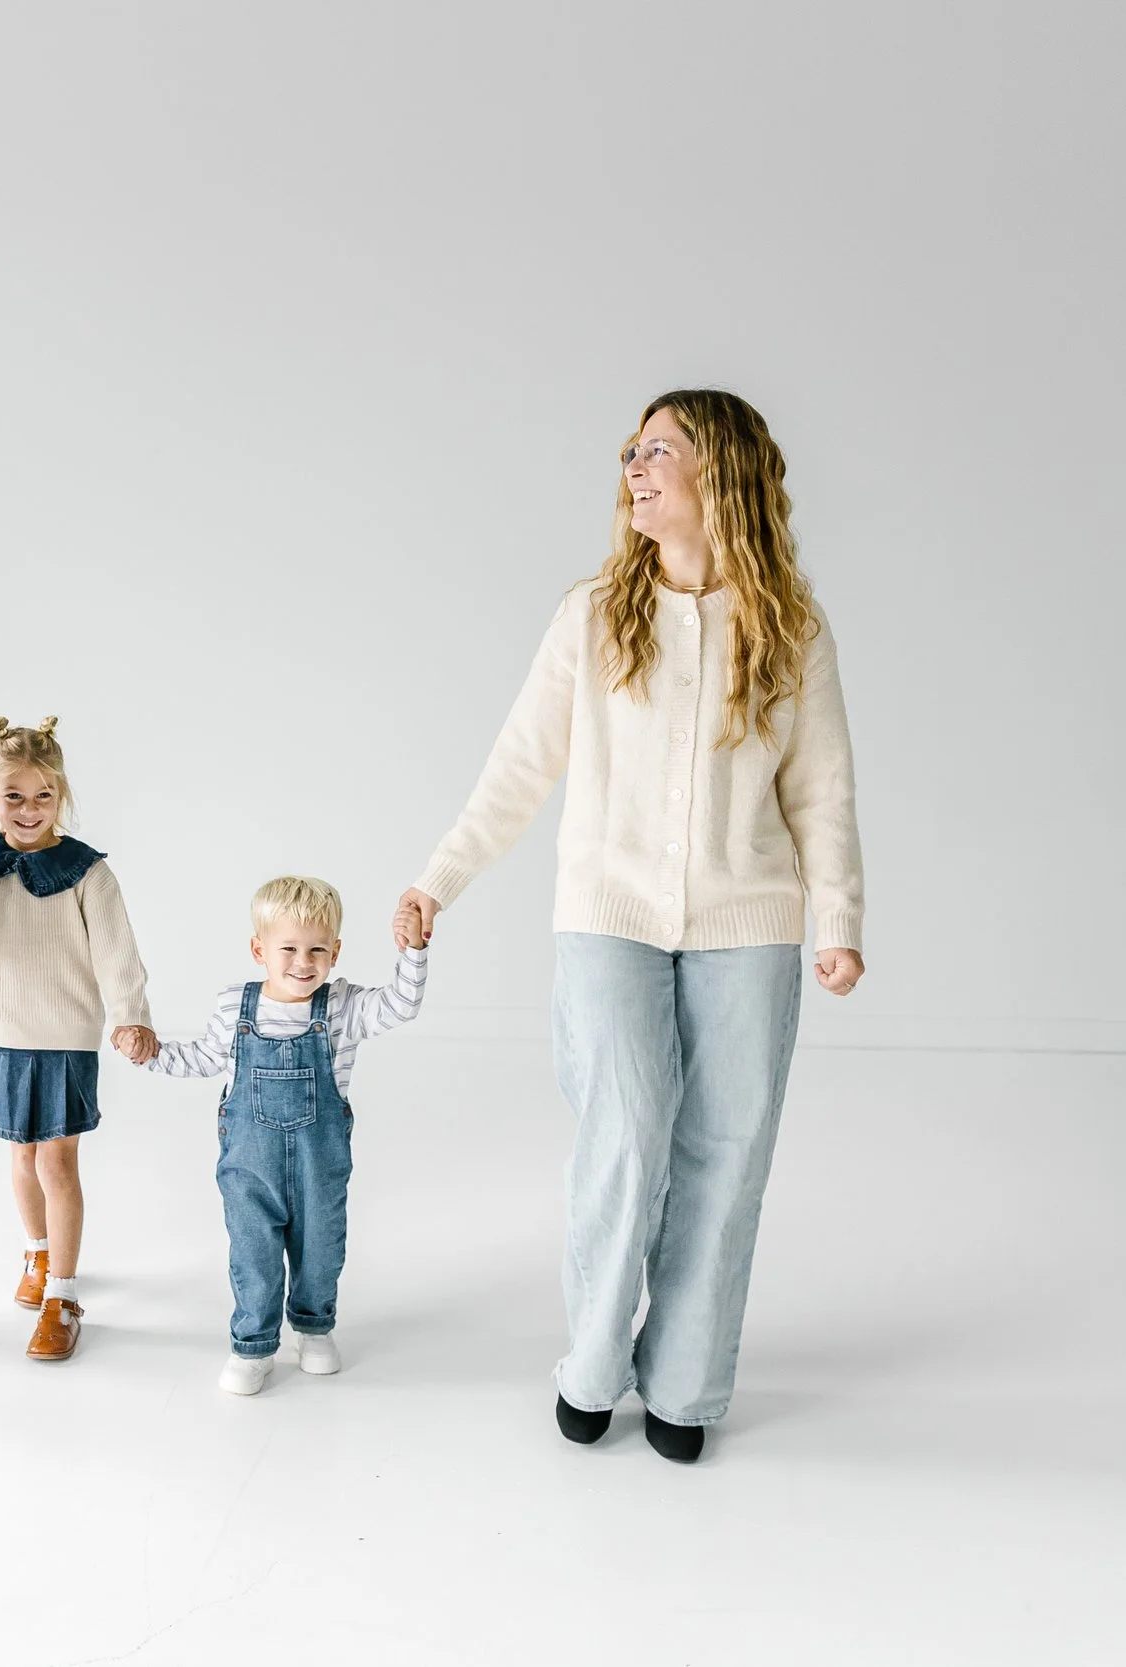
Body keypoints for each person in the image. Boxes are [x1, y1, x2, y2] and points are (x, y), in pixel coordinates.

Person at [398, 389, 864, 1463]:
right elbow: (520, 764)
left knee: (727, 1149)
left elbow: (823, 791)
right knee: (626, 1132)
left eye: (659, 448)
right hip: (607, 914)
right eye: (630, 450)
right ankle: (595, 1360)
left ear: (721, 470)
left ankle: (684, 1384)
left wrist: (836, 917)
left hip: (749, 920)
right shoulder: (594, 613)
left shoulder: (792, 626)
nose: (634, 467)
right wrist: (438, 879)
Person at [140, 877, 430, 1395]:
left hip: (321, 1165)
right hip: (250, 1166)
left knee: (321, 1248)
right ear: (259, 950)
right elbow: (203, 1058)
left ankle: (314, 1328)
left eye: (318, 950)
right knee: (253, 1254)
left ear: (335, 952)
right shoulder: (235, 1007)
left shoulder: (342, 1007)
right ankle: (252, 1345)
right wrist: (152, 1053)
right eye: (289, 949)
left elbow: (401, 1005)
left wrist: (412, 950)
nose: (303, 962)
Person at [0, 717, 158, 1363]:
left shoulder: (88, 872)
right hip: (2, 1032)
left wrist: (131, 1015)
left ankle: (63, 1295)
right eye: (14, 796)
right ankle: (37, 1253)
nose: (29, 809)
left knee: (56, 1163)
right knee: (21, 1155)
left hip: (65, 1036)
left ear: (60, 795)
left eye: (43, 796)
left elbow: (117, 953)